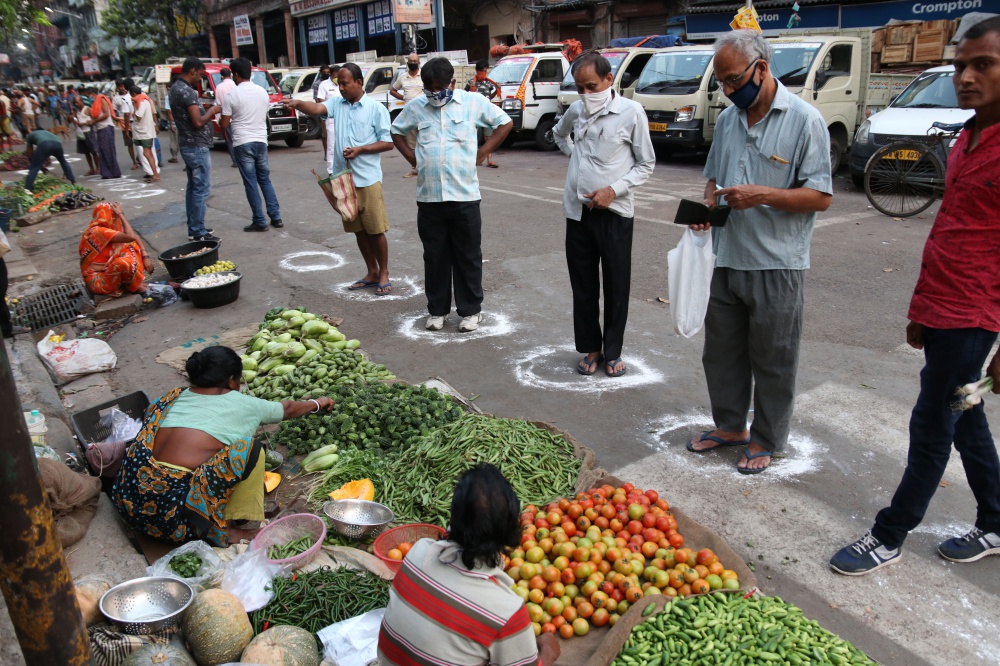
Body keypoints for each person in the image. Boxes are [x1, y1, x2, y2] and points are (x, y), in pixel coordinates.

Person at [830, 17, 1000, 575]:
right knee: (964, 412)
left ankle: (889, 533)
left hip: (975, 315)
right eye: (960, 66)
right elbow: (952, 228)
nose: (966, 77)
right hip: (944, 310)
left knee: (934, 423)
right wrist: (921, 310)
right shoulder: (970, 136)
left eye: (983, 65)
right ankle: (996, 521)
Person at [685, 30, 832, 474]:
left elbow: (821, 196)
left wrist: (765, 195)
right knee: (722, 352)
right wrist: (708, 205)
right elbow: (713, 177)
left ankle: (768, 437)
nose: (729, 91)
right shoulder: (729, 119)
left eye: (733, 80)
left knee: (773, 356)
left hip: (776, 262)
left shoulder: (805, 121)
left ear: (761, 68)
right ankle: (730, 425)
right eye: (723, 84)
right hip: (726, 255)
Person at [112, 346, 335, 545]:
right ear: (231, 380)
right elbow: (286, 409)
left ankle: (213, 510)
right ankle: (225, 531)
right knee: (247, 450)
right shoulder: (243, 403)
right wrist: (318, 403)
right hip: (172, 522)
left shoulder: (174, 397)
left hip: (131, 503)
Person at [378, 463, 561, 666]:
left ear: (454, 517)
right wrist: (548, 654)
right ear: (511, 531)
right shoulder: (506, 610)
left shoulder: (418, 553)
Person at [552, 52, 655, 378]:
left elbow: (646, 164)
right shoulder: (576, 110)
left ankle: (613, 352)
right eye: (580, 87)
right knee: (582, 287)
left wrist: (614, 189)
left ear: (609, 81)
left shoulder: (631, 112)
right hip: (577, 214)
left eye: (591, 86)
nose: (585, 94)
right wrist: (575, 159)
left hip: (615, 213)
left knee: (616, 285)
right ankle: (591, 349)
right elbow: (559, 134)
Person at [391, 58, 513, 333]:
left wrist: (483, 152)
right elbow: (397, 131)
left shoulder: (472, 102)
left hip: (464, 195)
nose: (434, 94)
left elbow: (504, 123)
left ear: (452, 84)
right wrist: (413, 158)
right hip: (429, 197)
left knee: (467, 256)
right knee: (434, 256)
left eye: (439, 88)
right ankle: (437, 311)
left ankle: (471, 311)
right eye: (429, 89)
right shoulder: (417, 107)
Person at [286, 63, 394, 294]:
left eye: (345, 83)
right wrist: (297, 104)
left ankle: (383, 272)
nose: (341, 88)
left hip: (368, 178)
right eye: (339, 83)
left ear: (358, 82)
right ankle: (371, 271)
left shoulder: (375, 108)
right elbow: (316, 109)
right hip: (343, 179)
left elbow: (387, 142)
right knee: (358, 230)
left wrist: (361, 149)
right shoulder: (337, 103)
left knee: (375, 230)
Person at [221, 57, 283, 233]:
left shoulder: (232, 95)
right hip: (261, 140)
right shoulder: (262, 92)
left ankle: (259, 220)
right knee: (265, 179)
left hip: (242, 142)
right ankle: (276, 216)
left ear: (236, 74)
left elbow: (224, 124)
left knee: (250, 182)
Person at [170, 56, 222, 242]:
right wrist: (212, 111)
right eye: (199, 74)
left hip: (189, 144)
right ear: (192, 71)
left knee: (193, 188)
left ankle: (195, 227)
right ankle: (198, 230)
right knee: (201, 188)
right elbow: (198, 122)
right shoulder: (186, 91)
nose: (200, 78)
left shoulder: (176, 88)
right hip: (196, 145)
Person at [79, 202, 152, 297]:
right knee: (123, 262)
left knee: (130, 246)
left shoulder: (109, 227)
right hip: (98, 281)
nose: (115, 218)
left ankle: (134, 283)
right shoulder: (97, 231)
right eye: (113, 215)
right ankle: (136, 287)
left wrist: (145, 256)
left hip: (107, 271)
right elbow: (129, 236)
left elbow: (135, 237)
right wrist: (121, 215)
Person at [390, 53, 424, 178]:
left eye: (415, 61)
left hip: (423, 114)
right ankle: (415, 168)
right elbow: (392, 90)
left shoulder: (424, 76)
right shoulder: (403, 77)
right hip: (409, 114)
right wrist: (403, 97)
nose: (412, 62)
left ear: (419, 63)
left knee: (424, 141)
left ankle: (426, 167)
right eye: (410, 61)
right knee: (411, 143)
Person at [465, 60, 501, 168]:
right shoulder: (471, 82)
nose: (484, 73)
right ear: (476, 71)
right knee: (472, 137)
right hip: (474, 113)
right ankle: (472, 159)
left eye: (485, 71)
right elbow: (465, 96)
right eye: (482, 71)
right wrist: (472, 87)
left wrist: (497, 89)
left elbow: (490, 96)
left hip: (486, 113)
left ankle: (489, 160)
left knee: (488, 137)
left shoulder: (488, 83)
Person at [23, 128, 76, 194]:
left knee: (34, 167)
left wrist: (36, 164)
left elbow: (29, 153)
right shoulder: (46, 132)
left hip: (44, 145)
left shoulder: (30, 135)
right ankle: (73, 181)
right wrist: (41, 166)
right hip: (57, 144)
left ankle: (27, 189)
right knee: (63, 161)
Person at [86, 84, 122, 179]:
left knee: (108, 151)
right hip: (100, 129)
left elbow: (106, 114)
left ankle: (113, 172)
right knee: (102, 151)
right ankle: (106, 172)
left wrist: (94, 121)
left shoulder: (101, 99)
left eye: (89, 95)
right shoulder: (95, 102)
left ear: (92, 94)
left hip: (106, 128)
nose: (89, 98)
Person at [129, 85, 159, 182]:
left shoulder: (141, 102)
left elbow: (139, 116)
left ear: (133, 94)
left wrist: (134, 106)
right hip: (145, 131)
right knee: (148, 153)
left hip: (145, 132)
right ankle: (155, 174)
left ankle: (155, 174)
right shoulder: (144, 100)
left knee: (147, 153)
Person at [316, 64, 341, 174]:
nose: (337, 78)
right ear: (330, 75)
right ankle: (331, 170)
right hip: (331, 118)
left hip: (345, 118)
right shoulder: (324, 85)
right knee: (332, 145)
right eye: (335, 76)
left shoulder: (342, 83)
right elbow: (320, 100)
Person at [214, 67, 238, 168]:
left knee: (229, 139)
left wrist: (218, 118)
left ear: (222, 76)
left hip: (226, 117)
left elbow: (218, 104)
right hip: (238, 115)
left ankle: (235, 160)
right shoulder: (235, 85)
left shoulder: (219, 87)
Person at [114, 78, 139, 170]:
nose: (121, 88)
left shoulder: (131, 94)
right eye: (119, 86)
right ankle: (134, 162)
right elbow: (115, 111)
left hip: (134, 121)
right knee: (129, 144)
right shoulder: (116, 98)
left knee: (139, 142)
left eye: (122, 86)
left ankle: (140, 158)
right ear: (117, 87)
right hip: (124, 123)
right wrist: (117, 120)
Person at [72, 95, 99, 176]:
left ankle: (98, 168)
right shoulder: (77, 112)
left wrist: (84, 123)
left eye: (77, 102)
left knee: (94, 151)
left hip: (88, 131)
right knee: (86, 152)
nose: (76, 104)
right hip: (81, 133)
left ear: (81, 101)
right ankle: (91, 169)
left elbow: (94, 119)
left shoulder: (87, 109)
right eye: (75, 103)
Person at [313, 64, 331, 155]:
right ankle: (326, 153)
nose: (327, 74)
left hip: (333, 112)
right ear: (321, 73)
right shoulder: (318, 84)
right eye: (325, 73)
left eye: (328, 72)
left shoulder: (332, 82)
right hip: (323, 112)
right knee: (325, 134)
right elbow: (317, 99)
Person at [163, 73, 180, 163]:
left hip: (173, 121)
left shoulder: (168, 97)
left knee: (173, 140)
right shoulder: (180, 93)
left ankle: (174, 156)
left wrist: (170, 123)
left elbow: (169, 111)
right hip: (180, 120)